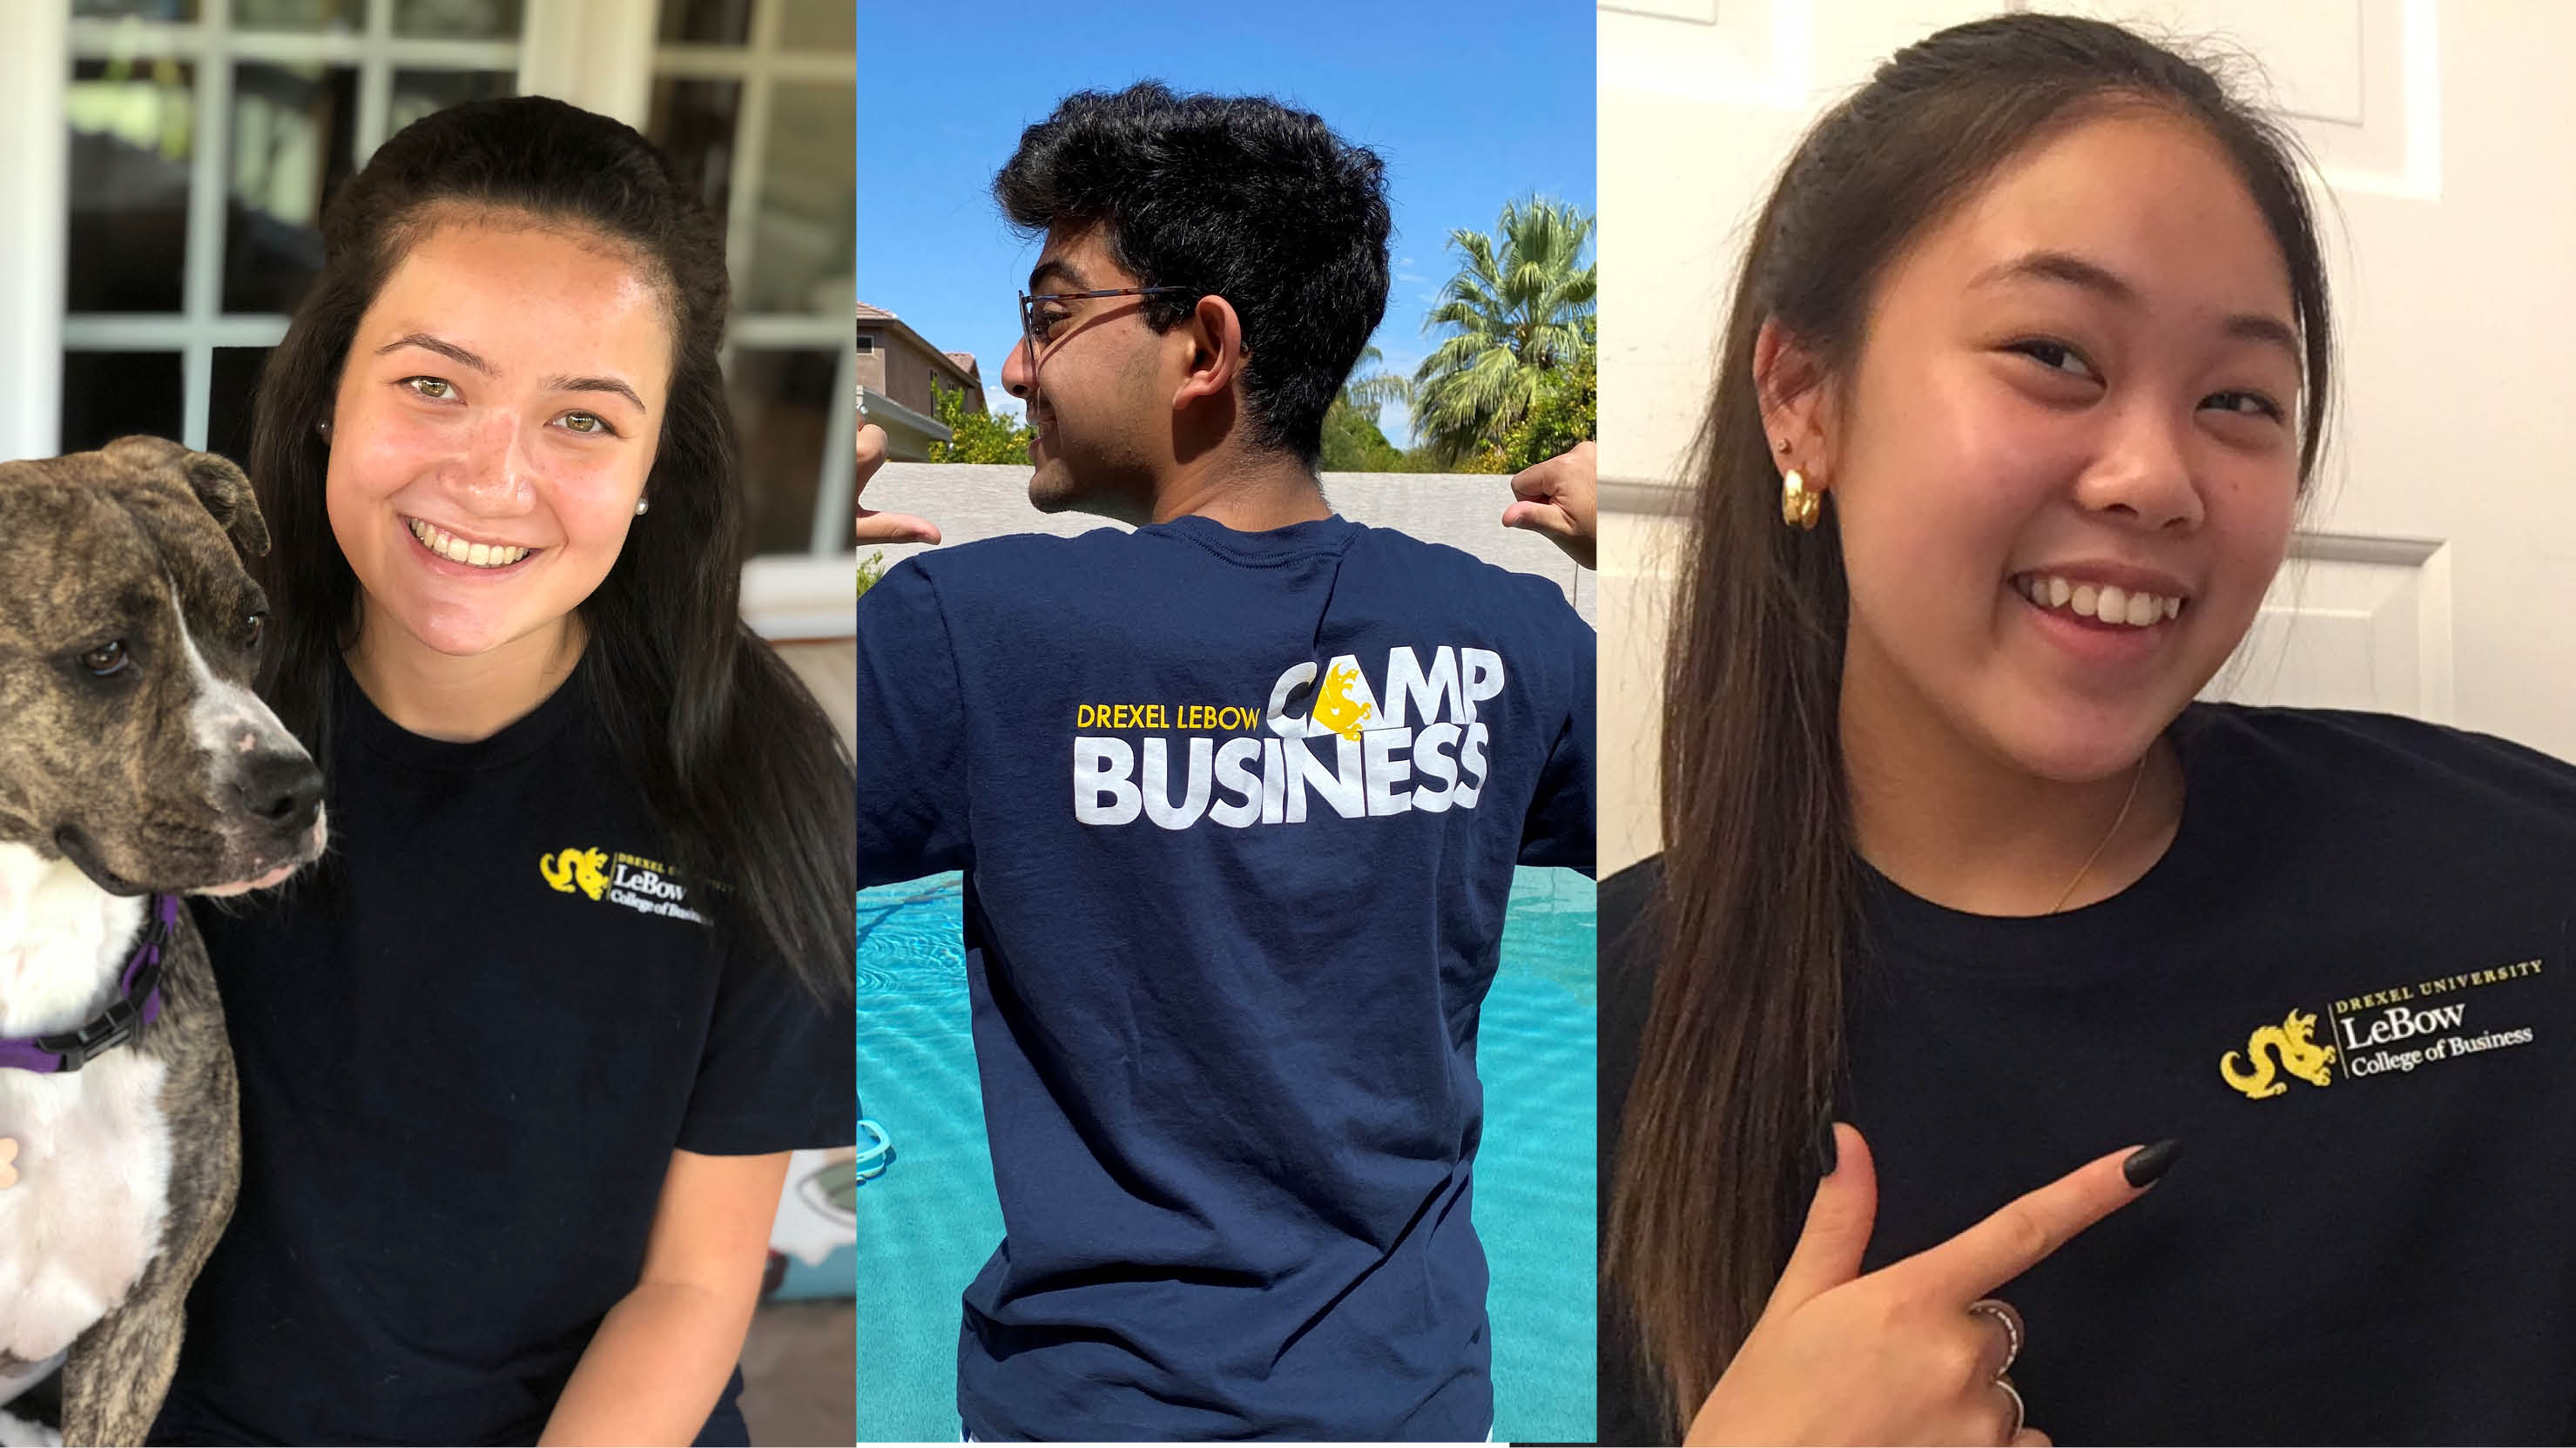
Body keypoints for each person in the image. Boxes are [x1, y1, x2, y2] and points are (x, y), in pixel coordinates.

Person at [1601, 12, 2576, 1445]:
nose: (2153, 477)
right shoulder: (1561, 1048)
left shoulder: (2517, 872)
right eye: (2054, 353)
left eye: (2238, 398)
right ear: (1802, 399)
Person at [852, 83, 1595, 1442]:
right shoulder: (1516, 638)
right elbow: (1743, 830)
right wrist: (1658, 561)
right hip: (1415, 1401)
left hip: (1090, 1402)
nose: (1017, 369)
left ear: (1203, 346)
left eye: (1049, 314)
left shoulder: (965, 633)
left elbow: (673, 862)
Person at [143, 98, 855, 1446]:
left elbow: (694, 1286)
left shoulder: (750, 774)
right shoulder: (169, 714)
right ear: (327, 391)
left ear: (657, 464)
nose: (492, 478)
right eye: (432, 384)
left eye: (584, 419)